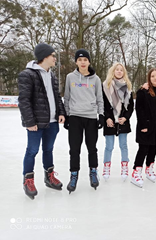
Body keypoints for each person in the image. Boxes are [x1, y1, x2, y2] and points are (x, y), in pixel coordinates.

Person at [18, 43, 65, 200]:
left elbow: (57, 97)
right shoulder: (27, 75)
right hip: (36, 123)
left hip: (52, 121)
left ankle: (49, 176)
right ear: (44, 56)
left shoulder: (52, 75)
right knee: (32, 151)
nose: (54, 58)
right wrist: (29, 122)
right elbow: (24, 100)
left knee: (48, 149)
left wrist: (61, 112)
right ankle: (28, 180)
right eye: (52, 55)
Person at [63, 49, 104, 193]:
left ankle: (93, 172)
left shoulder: (96, 79)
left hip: (91, 117)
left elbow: (100, 98)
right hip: (75, 117)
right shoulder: (70, 77)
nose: (82, 62)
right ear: (76, 62)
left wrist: (101, 115)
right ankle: (74, 175)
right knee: (74, 149)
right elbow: (66, 98)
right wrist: (67, 116)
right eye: (80, 60)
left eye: (85, 60)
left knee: (92, 148)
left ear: (89, 62)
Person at [131, 68, 156, 188]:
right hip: (146, 125)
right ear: (149, 78)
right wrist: (143, 125)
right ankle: (136, 172)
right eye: (152, 76)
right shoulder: (143, 91)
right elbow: (139, 109)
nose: (155, 78)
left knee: (153, 148)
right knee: (143, 149)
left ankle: (149, 168)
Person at [102, 63, 134, 181]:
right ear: (113, 71)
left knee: (123, 145)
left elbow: (130, 107)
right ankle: (106, 167)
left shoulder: (128, 87)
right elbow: (103, 104)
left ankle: (125, 166)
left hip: (122, 121)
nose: (119, 71)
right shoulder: (105, 85)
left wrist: (125, 117)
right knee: (109, 146)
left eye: (121, 70)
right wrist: (107, 118)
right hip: (110, 121)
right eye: (117, 70)